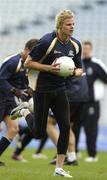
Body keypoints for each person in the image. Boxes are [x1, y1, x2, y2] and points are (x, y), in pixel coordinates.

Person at [11, 9, 83, 178]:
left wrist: (71, 72)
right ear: (60, 26)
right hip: (41, 90)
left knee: (65, 126)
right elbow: (28, 63)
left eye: (73, 24)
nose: (72, 27)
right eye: (68, 24)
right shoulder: (46, 41)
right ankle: (24, 110)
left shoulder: (75, 45)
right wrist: (49, 69)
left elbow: (80, 69)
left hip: (60, 89)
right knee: (38, 133)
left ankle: (59, 168)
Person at [0, 39, 38, 166]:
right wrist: (13, 90)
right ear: (26, 50)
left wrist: (28, 91)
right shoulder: (13, 62)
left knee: (14, 128)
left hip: (9, 101)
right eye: (33, 53)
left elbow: (23, 83)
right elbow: (1, 80)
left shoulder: (29, 64)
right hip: (1, 98)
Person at [72, 41, 107, 162]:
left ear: (90, 49)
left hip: (92, 103)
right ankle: (74, 152)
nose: (85, 51)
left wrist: (98, 91)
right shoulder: (77, 63)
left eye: (87, 48)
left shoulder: (96, 64)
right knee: (75, 128)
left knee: (90, 129)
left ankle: (92, 155)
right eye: (84, 49)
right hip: (78, 101)